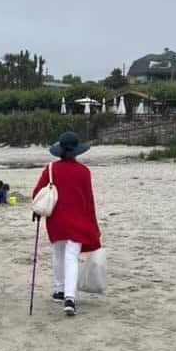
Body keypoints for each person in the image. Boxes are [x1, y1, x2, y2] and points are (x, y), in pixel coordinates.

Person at [32, 131, 100, 317]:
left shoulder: (51, 169)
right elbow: (89, 200)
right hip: (78, 221)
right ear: (76, 151)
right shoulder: (84, 172)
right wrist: (94, 225)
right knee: (72, 257)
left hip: (56, 220)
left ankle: (59, 290)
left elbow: (37, 193)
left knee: (58, 255)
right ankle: (70, 297)